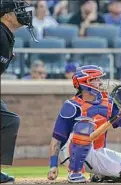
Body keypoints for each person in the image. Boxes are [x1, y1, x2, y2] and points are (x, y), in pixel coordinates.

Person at [47, 65, 121, 183]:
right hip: (71, 154)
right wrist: (53, 165)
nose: (100, 82)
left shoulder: (108, 103)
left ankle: (101, 175)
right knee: (84, 126)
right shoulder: (71, 106)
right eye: (95, 79)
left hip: (96, 151)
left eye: (99, 79)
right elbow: (56, 139)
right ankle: (75, 173)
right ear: (84, 83)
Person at [0, 0, 37, 183]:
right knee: (9, 121)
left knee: (8, 121)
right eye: (18, 10)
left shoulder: (5, 34)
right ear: (6, 15)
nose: (23, 13)